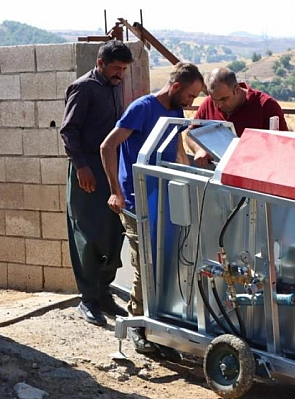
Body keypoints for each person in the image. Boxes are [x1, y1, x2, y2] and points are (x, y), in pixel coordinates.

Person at [100, 62, 204, 353]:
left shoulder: (175, 111)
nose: (191, 103)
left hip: (165, 198)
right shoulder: (142, 109)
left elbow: (178, 151)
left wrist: (193, 175)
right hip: (136, 200)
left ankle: (158, 327)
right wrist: (115, 192)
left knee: (165, 262)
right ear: (175, 87)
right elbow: (107, 146)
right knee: (145, 265)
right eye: (190, 96)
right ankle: (137, 325)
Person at [60, 40, 133, 327]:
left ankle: (104, 292)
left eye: (124, 69)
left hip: (111, 168)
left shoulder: (114, 87)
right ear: (100, 63)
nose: (120, 74)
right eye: (116, 68)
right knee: (88, 235)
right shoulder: (83, 88)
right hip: (88, 169)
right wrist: (82, 167)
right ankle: (88, 299)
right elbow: (69, 131)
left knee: (113, 232)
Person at [185, 67, 288, 166]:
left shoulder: (266, 106)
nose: (219, 105)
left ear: (237, 89)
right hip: (217, 175)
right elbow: (190, 133)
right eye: (214, 100)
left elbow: (284, 145)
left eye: (224, 99)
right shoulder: (209, 103)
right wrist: (199, 149)